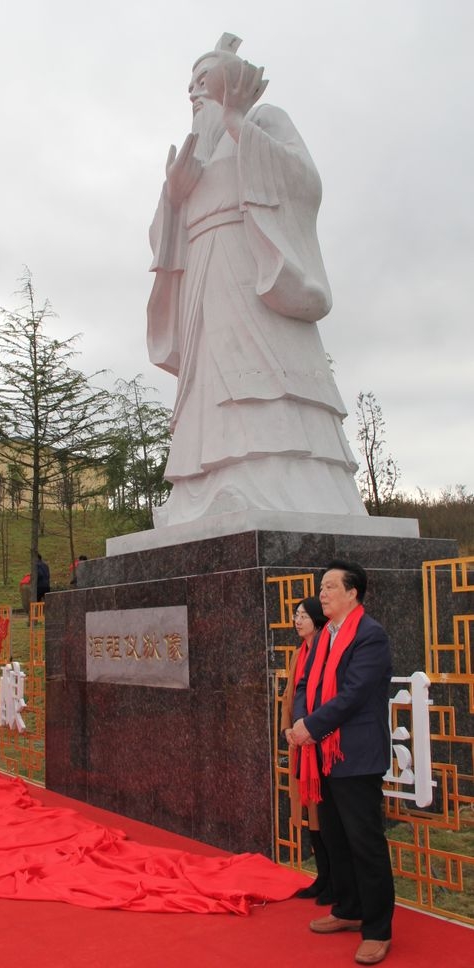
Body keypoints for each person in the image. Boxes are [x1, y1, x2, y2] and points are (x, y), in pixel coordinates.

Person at [147, 33, 367, 527]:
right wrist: (176, 196)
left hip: (250, 265)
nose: (194, 93)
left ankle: (277, 482)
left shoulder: (263, 121)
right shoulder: (194, 149)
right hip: (203, 271)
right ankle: (204, 488)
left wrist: (239, 124)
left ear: (234, 77)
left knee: (263, 373)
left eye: (203, 79)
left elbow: (304, 182)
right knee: (208, 379)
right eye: (190, 86)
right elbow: (164, 235)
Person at [291, 561, 394, 966]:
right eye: (321, 586)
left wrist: (309, 728)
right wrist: (302, 721)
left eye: (330, 586)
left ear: (353, 593)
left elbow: (352, 695)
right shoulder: (321, 639)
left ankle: (378, 929)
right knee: (336, 836)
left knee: (365, 843)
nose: (322, 593)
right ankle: (348, 909)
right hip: (322, 752)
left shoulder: (370, 636)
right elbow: (304, 684)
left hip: (355, 754)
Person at [280, 596, 332, 904]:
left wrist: (308, 729)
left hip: (318, 743)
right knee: (308, 809)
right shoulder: (298, 654)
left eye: (303, 615)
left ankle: (333, 878)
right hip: (299, 743)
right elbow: (289, 696)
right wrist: (287, 729)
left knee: (322, 812)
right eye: (295, 615)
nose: (297, 621)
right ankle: (323, 876)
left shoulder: (327, 653)